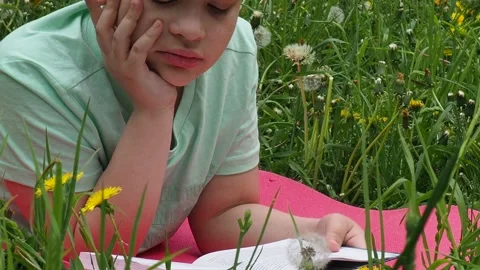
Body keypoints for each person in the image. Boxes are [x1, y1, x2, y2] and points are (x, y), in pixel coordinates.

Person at [0, 0, 366, 258]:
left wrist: (314, 234)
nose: (191, 30)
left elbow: (223, 216)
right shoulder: (31, 77)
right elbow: (85, 249)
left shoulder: (231, 53)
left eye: (218, 7)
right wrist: (154, 110)